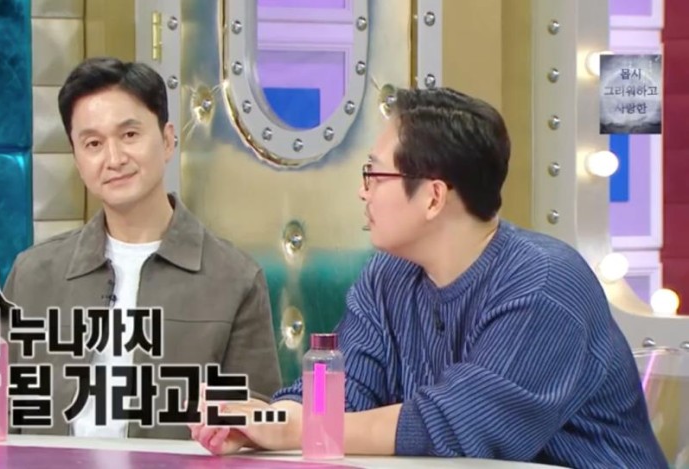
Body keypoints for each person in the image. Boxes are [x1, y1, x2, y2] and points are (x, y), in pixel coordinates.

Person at [189, 87, 668, 468]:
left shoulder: (544, 283)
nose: (362, 193)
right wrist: (262, 421)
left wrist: (303, 428)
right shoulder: (387, 275)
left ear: (434, 197)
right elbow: (341, 391)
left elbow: (460, 427)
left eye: (374, 175)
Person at [2, 57, 282, 440]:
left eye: (130, 135)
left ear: (167, 140)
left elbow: (256, 425)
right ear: (77, 159)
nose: (114, 159)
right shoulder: (33, 274)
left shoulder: (235, 280)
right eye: (93, 144)